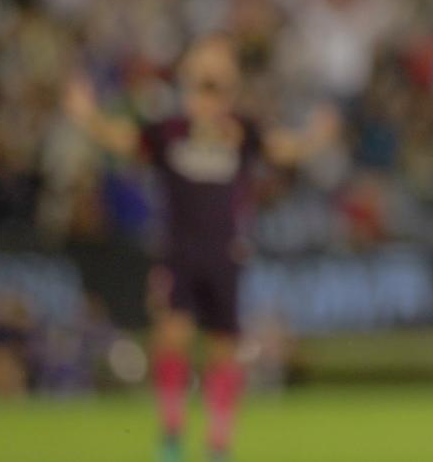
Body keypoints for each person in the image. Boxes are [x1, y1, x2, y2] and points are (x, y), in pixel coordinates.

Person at [64, 33, 339, 462]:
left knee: (223, 349)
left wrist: (314, 139)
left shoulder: (241, 132)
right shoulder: (169, 132)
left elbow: (280, 149)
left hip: (225, 254)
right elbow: (124, 140)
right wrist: (87, 116)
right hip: (179, 252)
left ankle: (217, 443)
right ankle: (172, 435)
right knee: (172, 338)